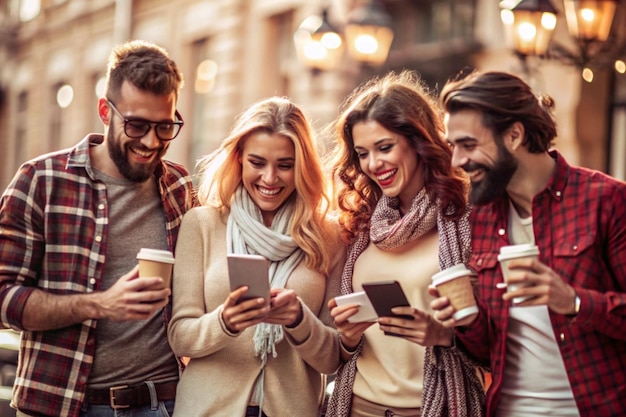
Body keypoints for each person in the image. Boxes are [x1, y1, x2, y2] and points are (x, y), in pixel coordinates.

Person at [0, 40, 196, 417]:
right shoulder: (41, 181)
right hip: (64, 405)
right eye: (137, 125)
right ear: (105, 111)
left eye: (165, 126)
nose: (152, 141)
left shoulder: (179, 187)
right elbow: (3, 298)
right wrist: (101, 304)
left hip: (165, 404)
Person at [433, 70, 626, 416]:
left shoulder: (607, 200)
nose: (457, 162)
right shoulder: (481, 216)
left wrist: (574, 301)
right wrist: (463, 320)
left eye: (469, 144)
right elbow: (490, 349)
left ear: (514, 135)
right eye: (453, 146)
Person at [167, 96, 344, 417]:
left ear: (302, 167)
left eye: (285, 165)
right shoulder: (203, 223)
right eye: (257, 163)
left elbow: (334, 357)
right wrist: (225, 321)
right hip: (206, 409)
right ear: (238, 160)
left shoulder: (328, 236)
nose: (270, 178)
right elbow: (180, 337)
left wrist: (298, 320)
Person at [325, 70, 485, 417]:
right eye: (362, 153)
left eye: (385, 147)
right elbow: (340, 348)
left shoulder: (467, 220)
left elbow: (498, 338)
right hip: (357, 407)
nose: (373, 164)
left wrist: (445, 336)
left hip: (435, 406)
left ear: (418, 141)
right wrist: (348, 337)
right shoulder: (362, 222)